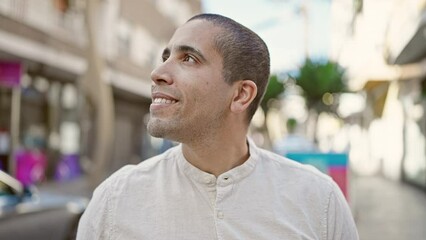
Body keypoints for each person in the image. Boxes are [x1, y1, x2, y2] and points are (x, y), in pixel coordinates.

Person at [77, 13, 359, 240]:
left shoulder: (320, 201)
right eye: (166, 57)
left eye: (188, 58)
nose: (158, 73)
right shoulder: (115, 200)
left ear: (240, 95)